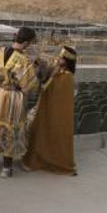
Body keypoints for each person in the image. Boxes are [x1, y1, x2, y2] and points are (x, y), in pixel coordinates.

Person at [0, 27, 41, 177]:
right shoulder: (23, 59)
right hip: (13, 97)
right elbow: (29, 84)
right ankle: (6, 168)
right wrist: (36, 70)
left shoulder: (1, 52)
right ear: (26, 42)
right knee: (11, 128)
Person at [21, 46, 77, 175]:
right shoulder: (56, 70)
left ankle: (47, 160)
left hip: (54, 112)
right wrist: (39, 65)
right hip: (45, 108)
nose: (58, 59)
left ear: (67, 61)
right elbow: (44, 79)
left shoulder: (66, 77)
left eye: (61, 58)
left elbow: (50, 89)